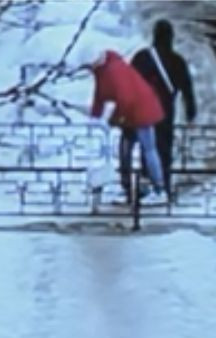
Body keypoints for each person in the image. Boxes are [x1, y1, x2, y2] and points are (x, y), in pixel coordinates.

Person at [86, 48, 168, 204]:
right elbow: (100, 95)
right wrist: (95, 116)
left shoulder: (114, 70)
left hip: (143, 111)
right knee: (125, 151)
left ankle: (159, 190)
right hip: (130, 114)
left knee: (148, 149)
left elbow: (126, 98)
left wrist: (116, 119)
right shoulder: (101, 69)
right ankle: (128, 190)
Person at [128, 20, 197, 201]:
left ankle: (147, 186)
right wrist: (190, 110)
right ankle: (163, 184)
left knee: (147, 149)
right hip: (166, 111)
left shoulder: (142, 58)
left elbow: (129, 84)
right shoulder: (177, 61)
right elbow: (187, 88)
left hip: (143, 111)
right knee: (164, 148)